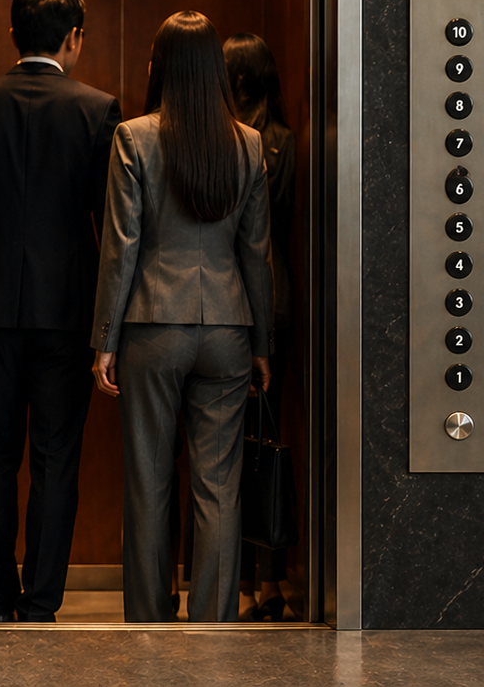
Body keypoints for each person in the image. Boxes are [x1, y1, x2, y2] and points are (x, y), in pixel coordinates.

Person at [90, 10, 273, 623]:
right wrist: (262, 344)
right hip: (227, 329)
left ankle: (148, 621)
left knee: (149, 482)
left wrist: (105, 340)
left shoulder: (133, 138)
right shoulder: (247, 143)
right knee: (218, 487)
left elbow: (122, 247)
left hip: (152, 328)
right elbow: (257, 254)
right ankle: (213, 625)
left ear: (159, 66)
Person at [0, 0, 121, 623]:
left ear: (13, 35)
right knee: (57, 460)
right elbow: (108, 221)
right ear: (74, 38)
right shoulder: (97, 107)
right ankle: (41, 605)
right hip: (67, 313)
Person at [222, 33, 297, 622]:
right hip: (278, 301)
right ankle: (270, 582)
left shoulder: (228, 143)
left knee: (235, 451)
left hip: (235, 304)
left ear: (238, 80)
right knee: (268, 442)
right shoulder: (284, 144)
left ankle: (245, 585)